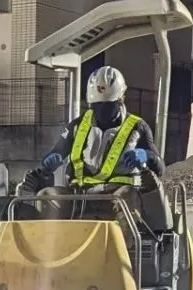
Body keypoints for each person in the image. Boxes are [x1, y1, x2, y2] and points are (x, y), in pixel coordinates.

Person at [18, 66, 164, 196]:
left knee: (128, 195)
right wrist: (48, 162)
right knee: (46, 195)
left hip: (117, 194)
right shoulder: (77, 125)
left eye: (107, 105)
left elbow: (160, 168)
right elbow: (56, 153)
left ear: (121, 99)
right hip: (79, 194)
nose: (101, 109)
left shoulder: (138, 127)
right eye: (97, 105)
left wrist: (146, 155)